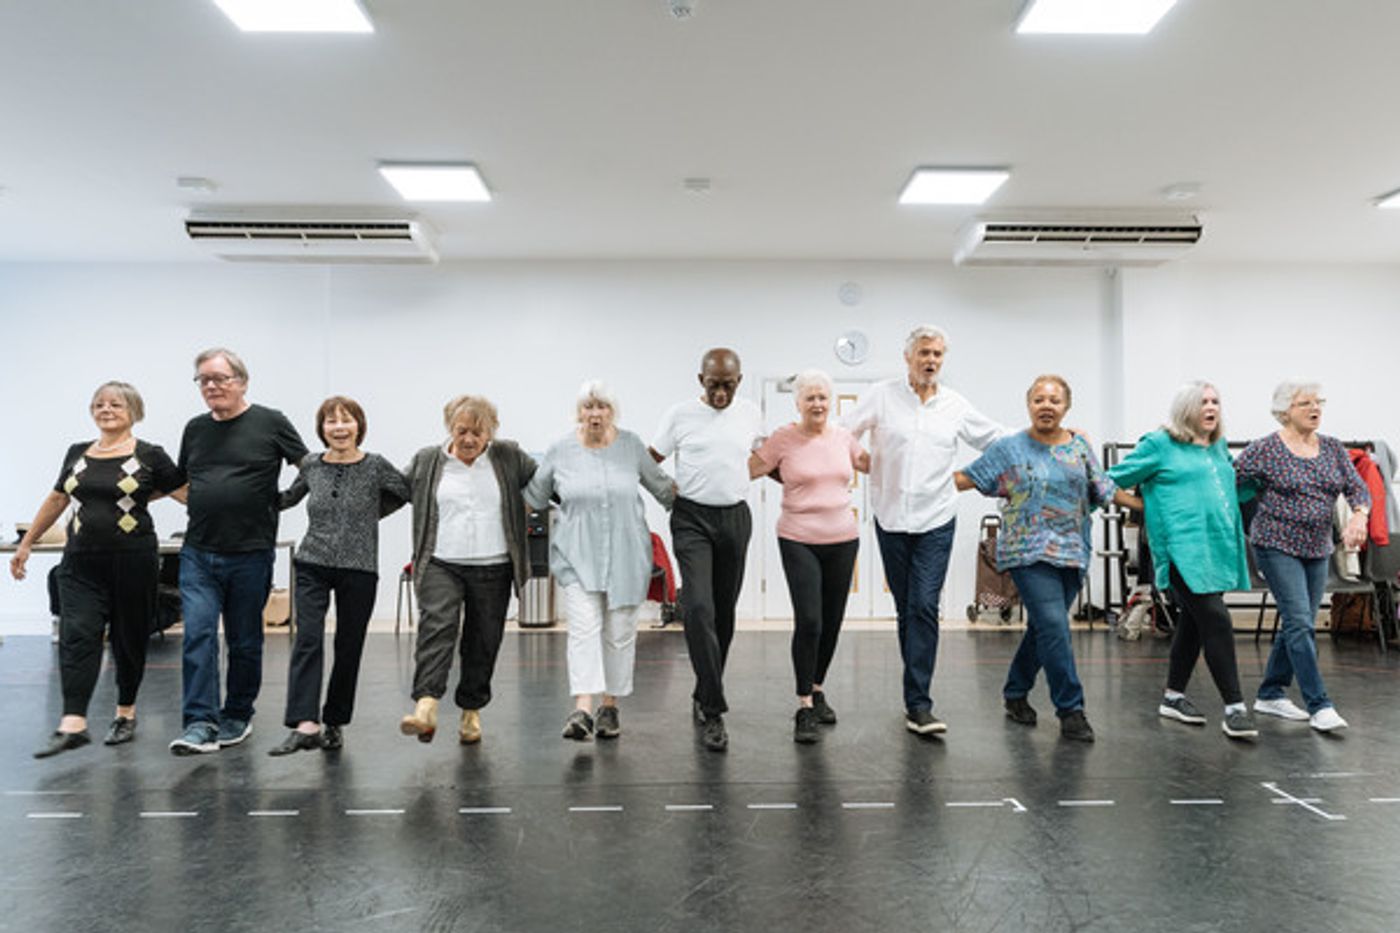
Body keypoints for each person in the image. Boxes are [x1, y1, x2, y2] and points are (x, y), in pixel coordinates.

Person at [955, 376, 1140, 742]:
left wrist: (1145, 506)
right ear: (1028, 405)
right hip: (1027, 549)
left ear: (1066, 407)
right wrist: (911, 478)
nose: (1046, 405)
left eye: (1054, 400)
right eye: (1039, 399)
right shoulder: (1010, 448)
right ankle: (1071, 709)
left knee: (1043, 628)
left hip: (1073, 550)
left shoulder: (1080, 447)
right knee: (1055, 625)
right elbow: (967, 478)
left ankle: (1015, 692)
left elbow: (1103, 489)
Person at [10, 382, 185, 757]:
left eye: (116, 404)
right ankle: (73, 722)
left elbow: (186, 493)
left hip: (132, 560)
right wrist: (26, 544)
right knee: (78, 633)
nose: (106, 410)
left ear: (134, 410)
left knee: (128, 638)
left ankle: (125, 713)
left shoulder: (150, 455)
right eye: (99, 404)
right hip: (79, 561)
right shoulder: (77, 453)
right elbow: (58, 498)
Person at [843, 324, 1003, 735]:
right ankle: (914, 696)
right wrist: (861, 460)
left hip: (937, 519)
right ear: (908, 358)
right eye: (924, 354)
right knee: (906, 606)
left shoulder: (954, 404)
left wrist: (1048, 439)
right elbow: (842, 433)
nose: (931, 361)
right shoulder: (881, 395)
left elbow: (998, 441)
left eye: (937, 355)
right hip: (891, 518)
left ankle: (919, 703)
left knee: (924, 606)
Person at [169, 348, 308, 755]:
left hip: (251, 552)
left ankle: (237, 715)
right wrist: (200, 503)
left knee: (245, 641)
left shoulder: (271, 422)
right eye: (203, 380)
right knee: (198, 634)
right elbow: (183, 480)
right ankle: (199, 722)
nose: (211, 386)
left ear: (242, 382)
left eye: (220, 378)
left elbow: (309, 466)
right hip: (198, 552)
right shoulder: (194, 429)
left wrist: (284, 500)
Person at [1107, 381, 1259, 740]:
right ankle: (1236, 707)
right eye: (1203, 401)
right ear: (1186, 408)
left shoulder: (1218, 446)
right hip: (1179, 550)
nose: (1211, 407)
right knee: (1217, 619)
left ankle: (1173, 698)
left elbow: (1230, 487)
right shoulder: (1159, 444)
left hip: (1216, 547)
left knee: (1194, 621)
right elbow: (1108, 482)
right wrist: (1142, 506)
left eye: (1216, 401)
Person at [525, 381, 675, 741]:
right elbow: (534, 496)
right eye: (589, 407)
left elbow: (663, 488)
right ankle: (582, 709)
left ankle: (610, 706)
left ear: (613, 411)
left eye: (602, 406)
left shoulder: (631, 445)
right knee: (583, 630)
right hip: (577, 556)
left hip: (627, 556)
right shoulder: (560, 449)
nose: (595, 413)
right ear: (579, 411)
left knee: (620, 633)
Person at [269, 397, 410, 755]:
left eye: (346, 420)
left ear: (359, 426)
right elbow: (287, 499)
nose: (339, 427)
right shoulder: (312, 464)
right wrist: (247, 491)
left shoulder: (376, 465)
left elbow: (406, 492)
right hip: (312, 562)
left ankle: (334, 721)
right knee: (308, 639)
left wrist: (370, 516)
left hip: (359, 568)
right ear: (322, 430)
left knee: (348, 646)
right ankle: (305, 723)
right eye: (331, 422)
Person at [398, 395, 537, 745]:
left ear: (491, 431)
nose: (470, 440)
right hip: (441, 562)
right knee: (437, 628)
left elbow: (548, 483)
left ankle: (471, 711)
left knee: (483, 641)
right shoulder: (428, 460)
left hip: (495, 565)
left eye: (479, 432)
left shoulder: (508, 457)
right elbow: (392, 492)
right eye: (462, 431)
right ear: (450, 428)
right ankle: (425, 707)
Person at [1234, 381, 1369, 733]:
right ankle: (1319, 704)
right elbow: (1229, 483)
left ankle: (1270, 692)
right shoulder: (1265, 449)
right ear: (1285, 411)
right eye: (1305, 403)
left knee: (1300, 622)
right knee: (1299, 622)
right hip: (1275, 545)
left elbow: (1357, 488)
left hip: (1317, 547)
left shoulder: (1333, 448)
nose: (1315, 408)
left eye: (1318, 402)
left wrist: (1359, 515)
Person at [649, 348, 763, 752]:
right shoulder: (680, 415)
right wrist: (668, 492)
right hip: (691, 518)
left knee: (724, 612)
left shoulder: (750, 413)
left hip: (734, 518)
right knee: (697, 607)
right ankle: (714, 710)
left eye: (727, 385)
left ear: (739, 381)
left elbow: (762, 456)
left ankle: (703, 691)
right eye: (713, 384)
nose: (720, 392)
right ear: (701, 380)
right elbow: (651, 460)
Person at [750, 369, 870, 744]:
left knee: (832, 621)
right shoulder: (783, 438)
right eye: (810, 398)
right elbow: (751, 468)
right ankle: (803, 704)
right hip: (798, 538)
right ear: (798, 403)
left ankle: (817, 689)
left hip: (843, 538)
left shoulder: (844, 438)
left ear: (830, 402)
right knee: (810, 620)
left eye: (822, 397)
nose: (817, 404)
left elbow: (876, 464)